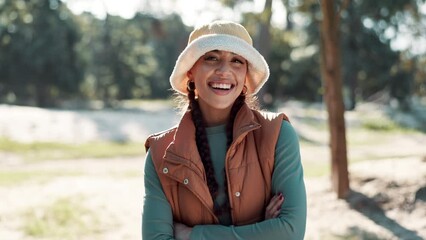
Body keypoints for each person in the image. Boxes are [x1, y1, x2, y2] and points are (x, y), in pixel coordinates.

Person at [142, 20, 306, 240]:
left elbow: (290, 232)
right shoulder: (161, 154)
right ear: (191, 71)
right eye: (212, 57)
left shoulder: (277, 135)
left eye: (237, 61)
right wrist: (262, 230)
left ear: (246, 74)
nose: (224, 70)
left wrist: (192, 235)